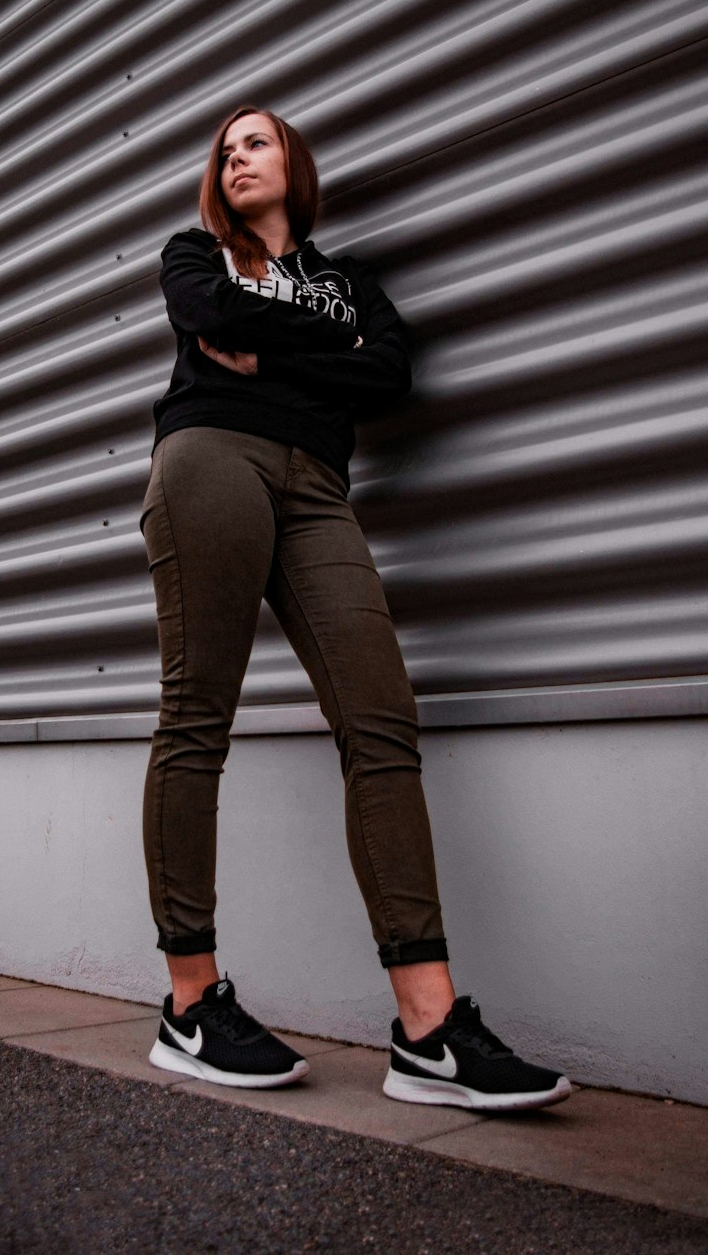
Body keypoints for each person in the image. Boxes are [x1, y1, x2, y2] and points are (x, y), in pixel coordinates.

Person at [140, 106, 571, 1111]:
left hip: (320, 488)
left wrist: (270, 342)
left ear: (294, 160)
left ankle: (428, 1032)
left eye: (256, 140)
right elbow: (213, 317)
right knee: (196, 717)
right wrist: (282, 346)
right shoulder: (193, 251)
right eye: (223, 149)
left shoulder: (348, 284)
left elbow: (390, 372)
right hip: (211, 459)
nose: (236, 156)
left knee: (381, 724)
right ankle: (190, 1006)